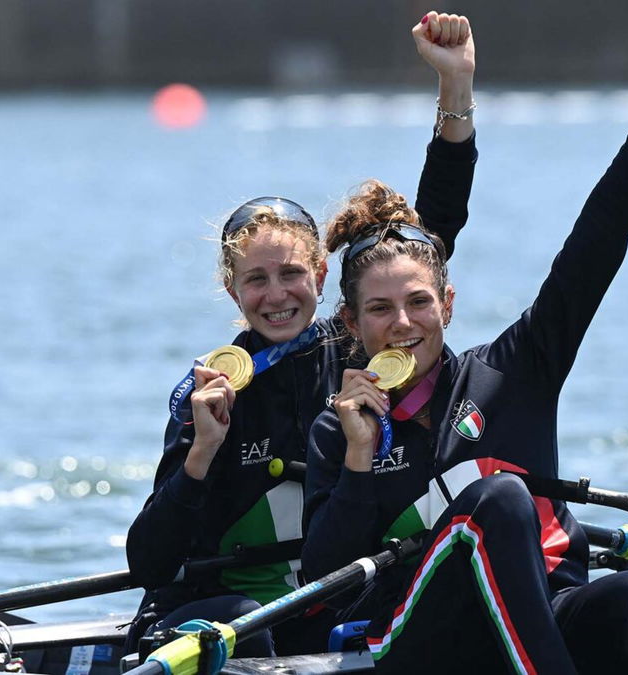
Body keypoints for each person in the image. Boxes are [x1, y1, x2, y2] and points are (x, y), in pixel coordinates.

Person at [304, 18, 628, 674]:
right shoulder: (341, 426)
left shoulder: (515, 369)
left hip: (547, 614)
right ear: (354, 326)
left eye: (419, 302)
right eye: (381, 310)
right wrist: (360, 462)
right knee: (499, 499)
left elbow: (597, 241)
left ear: (446, 305)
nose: (403, 322)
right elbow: (318, 592)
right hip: (411, 639)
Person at [125, 12, 480, 658]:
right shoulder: (212, 391)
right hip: (220, 615)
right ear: (232, 291)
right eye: (256, 279)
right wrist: (202, 451)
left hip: (329, 601)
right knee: (256, 624)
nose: (277, 293)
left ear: (321, 277)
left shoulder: (349, 346)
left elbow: (431, 238)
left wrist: (455, 89)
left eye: (292, 273)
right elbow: (148, 559)